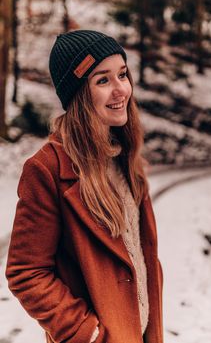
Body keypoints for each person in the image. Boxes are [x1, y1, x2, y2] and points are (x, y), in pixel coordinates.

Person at [6, 30, 163, 343]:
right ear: (78, 93)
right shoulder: (48, 169)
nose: (121, 90)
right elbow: (26, 272)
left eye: (122, 74)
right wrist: (86, 334)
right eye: (102, 80)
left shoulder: (126, 156)